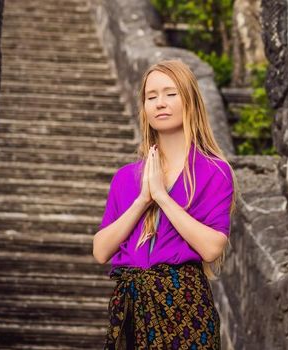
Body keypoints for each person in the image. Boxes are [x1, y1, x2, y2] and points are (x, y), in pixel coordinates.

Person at [92, 59, 235, 349]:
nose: (160, 103)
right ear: (144, 108)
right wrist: (143, 199)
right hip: (132, 306)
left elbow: (211, 247)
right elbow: (101, 250)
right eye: (151, 96)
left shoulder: (213, 171)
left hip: (185, 306)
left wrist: (162, 197)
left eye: (170, 93)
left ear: (190, 101)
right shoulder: (126, 178)